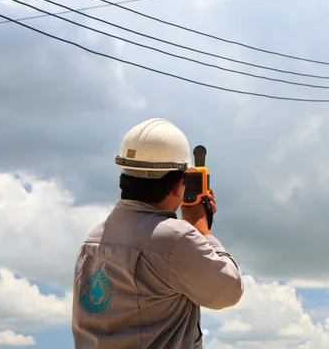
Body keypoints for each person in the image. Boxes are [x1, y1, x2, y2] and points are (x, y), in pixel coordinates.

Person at [71, 118, 243, 348]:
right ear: (177, 186)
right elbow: (228, 290)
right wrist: (201, 229)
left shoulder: (93, 238)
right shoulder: (176, 239)